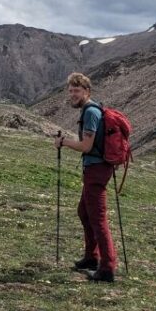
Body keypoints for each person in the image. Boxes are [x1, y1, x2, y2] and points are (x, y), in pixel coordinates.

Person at [53, 72, 117, 282]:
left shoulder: (90, 112)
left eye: (76, 91)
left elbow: (86, 146)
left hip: (96, 169)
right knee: (84, 212)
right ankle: (91, 257)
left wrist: (64, 142)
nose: (72, 94)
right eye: (70, 90)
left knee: (97, 218)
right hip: (96, 168)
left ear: (86, 91)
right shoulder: (91, 109)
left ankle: (106, 268)